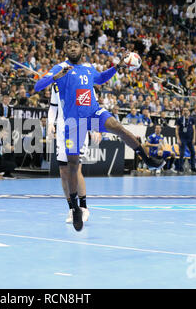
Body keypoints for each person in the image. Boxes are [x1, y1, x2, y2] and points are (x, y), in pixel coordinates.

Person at [34, 37, 164, 231]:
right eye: (68, 45)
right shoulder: (60, 68)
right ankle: (75, 209)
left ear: (81, 49)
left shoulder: (88, 68)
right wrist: (56, 76)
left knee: (118, 127)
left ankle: (146, 159)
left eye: (75, 44)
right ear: (65, 50)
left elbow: (101, 78)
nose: (72, 47)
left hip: (93, 114)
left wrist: (117, 66)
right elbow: (38, 86)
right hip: (73, 123)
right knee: (72, 165)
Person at [48, 83, 91, 223]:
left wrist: (95, 128)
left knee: (76, 168)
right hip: (61, 131)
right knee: (63, 172)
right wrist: (50, 124)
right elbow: (53, 107)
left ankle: (83, 208)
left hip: (79, 127)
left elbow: (90, 108)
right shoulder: (56, 84)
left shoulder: (83, 81)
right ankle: (73, 209)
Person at [175, 107, 196, 173]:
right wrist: (178, 139)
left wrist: (194, 138)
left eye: (186, 110)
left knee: (193, 152)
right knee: (182, 153)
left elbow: (194, 129)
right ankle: (180, 168)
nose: (185, 111)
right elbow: (177, 129)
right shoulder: (180, 119)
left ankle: (193, 167)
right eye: (184, 110)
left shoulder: (192, 119)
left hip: (190, 138)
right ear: (182, 112)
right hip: (182, 138)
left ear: (188, 112)